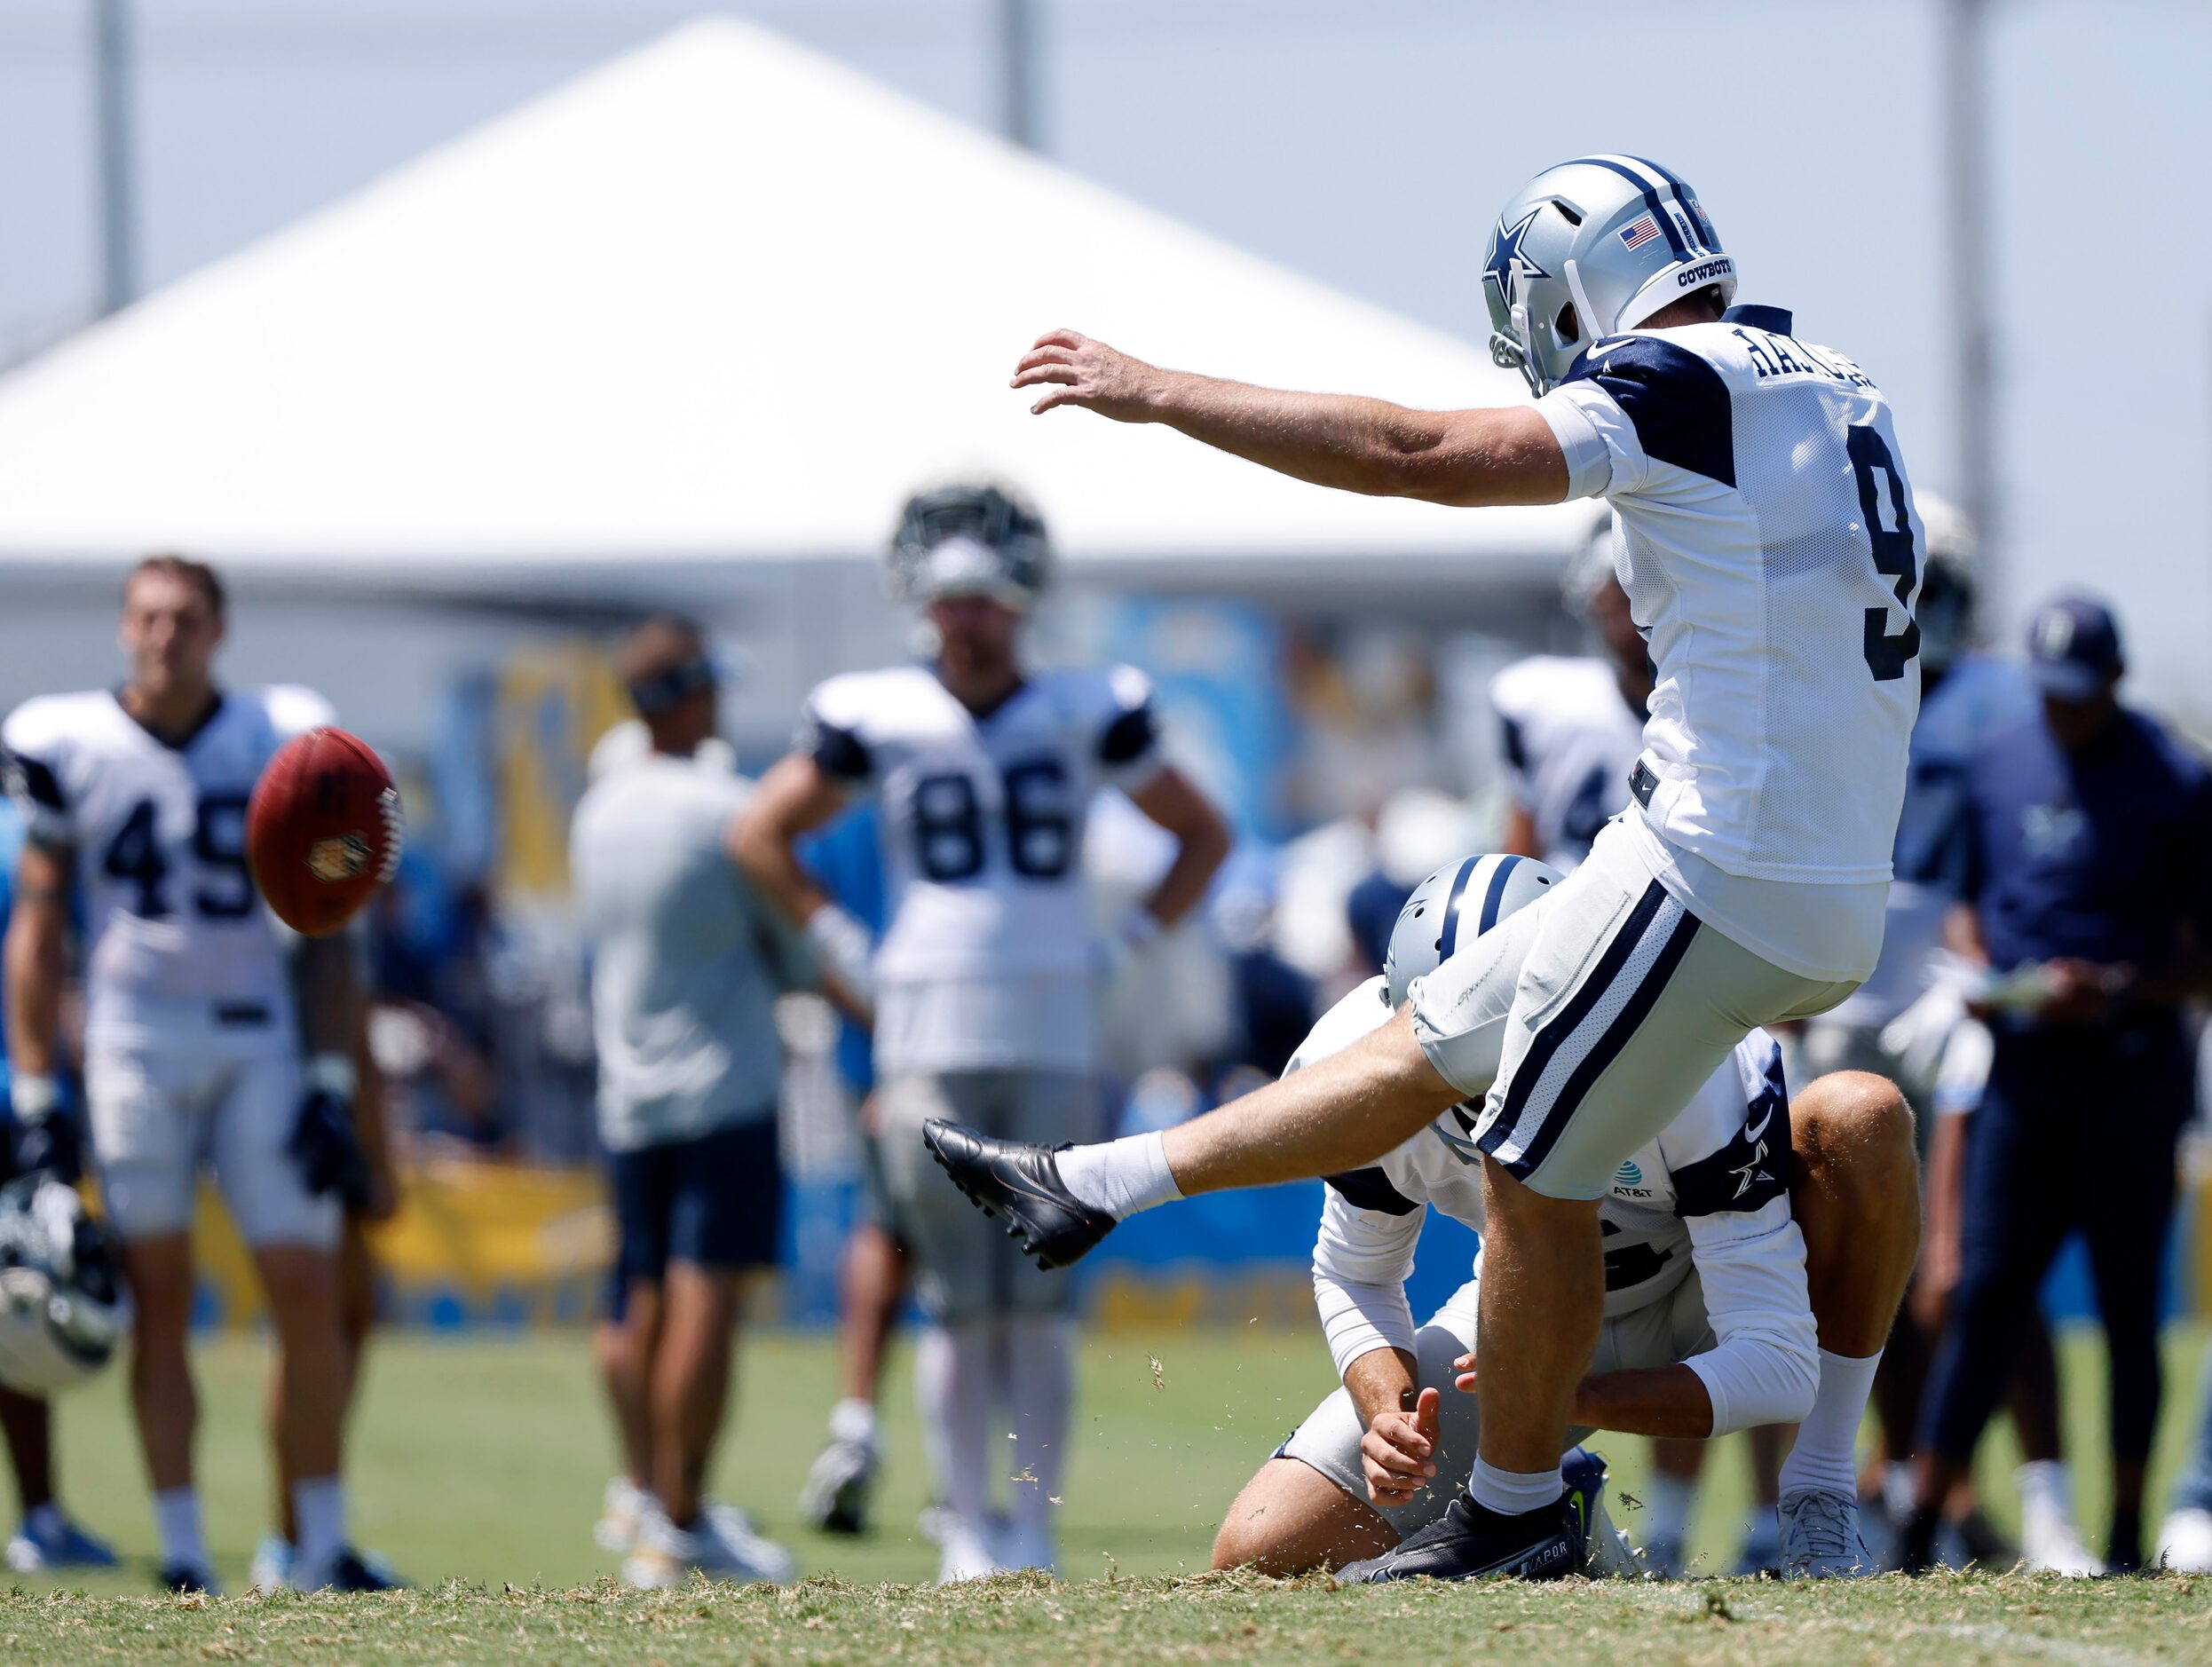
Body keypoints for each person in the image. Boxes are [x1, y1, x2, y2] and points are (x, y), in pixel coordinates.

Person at [934, 156, 1922, 1581]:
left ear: (1584, 280)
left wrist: (1159, 390)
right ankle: (1092, 1179)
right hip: (1803, 854)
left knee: (1527, 1153)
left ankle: (1518, 1513)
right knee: (1423, 1046)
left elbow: (1415, 451)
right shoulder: (1826, 371)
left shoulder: (1677, 379)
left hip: (1726, 854)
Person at [735, 482, 1231, 1581]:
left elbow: (1201, 831)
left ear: (1021, 606)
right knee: (957, 1294)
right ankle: (966, 1529)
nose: (971, 622)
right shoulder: (877, 711)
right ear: (923, 604)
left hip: (1056, 1024)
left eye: (989, 603)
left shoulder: (1086, 704)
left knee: (1042, 1290)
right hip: (927, 1023)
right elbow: (760, 830)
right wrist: (844, 945)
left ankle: (1031, 1526)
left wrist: (1127, 948)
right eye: (955, 602)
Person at [1210, 855, 1919, 1578]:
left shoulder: (1684, 1050)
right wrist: (1388, 1414)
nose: (1476, 1075)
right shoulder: (1350, 1064)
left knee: (1859, 1115)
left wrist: (1546, 1397)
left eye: (1497, 1041)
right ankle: (1561, 1514)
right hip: (1537, 1307)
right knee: (1263, 1550)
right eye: (1444, 1044)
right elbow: (1355, 1271)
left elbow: (1776, 1364)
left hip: (1712, 1290)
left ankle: (1821, 1489)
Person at [1, 555, 391, 1592]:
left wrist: (332, 1079)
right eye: (146, 617)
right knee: (159, 1298)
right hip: (135, 1040)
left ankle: (314, 1547)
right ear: (122, 628)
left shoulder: (281, 735)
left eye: (183, 618)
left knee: (304, 1288)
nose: (162, 637)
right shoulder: (67, 741)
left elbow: (333, 922)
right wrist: (39, 1090)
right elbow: (38, 929)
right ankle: (182, 1553)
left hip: (260, 1032)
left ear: (220, 629)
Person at [1902, 596, 2212, 1575]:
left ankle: (2124, 1530)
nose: (2063, 714)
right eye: (2049, 695)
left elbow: (2203, 953)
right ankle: (1914, 1529)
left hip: (2128, 1067)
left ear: (2114, 683)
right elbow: (1962, 908)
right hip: (2022, 1068)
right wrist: (1991, 982)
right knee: (1984, 1292)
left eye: (2079, 696)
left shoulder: (2174, 778)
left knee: (2128, 1306)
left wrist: (2116, 987)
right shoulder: (1995, 763)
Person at [1798, 507, 2078, 1571]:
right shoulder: (1822, 685)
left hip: (1961, 991)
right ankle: (1914, 1485)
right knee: (1854, 1267)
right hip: (1836, 987)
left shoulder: (2003, 698)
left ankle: (2038, 1494)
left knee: (1974, 1268)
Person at [571, 617, 810, 1589]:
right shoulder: (725, 809)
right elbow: (792, 952)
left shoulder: (600, 805)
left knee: (636, 1297)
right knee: (703, 1297)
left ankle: (640, 1488)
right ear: (695, 696)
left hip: (627, 1092)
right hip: (722, 1085)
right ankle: (677, 1521)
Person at [0, 795, 118, 1576]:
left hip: (24, 1092)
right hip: (24, 1094)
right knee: (23, 1298)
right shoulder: (30, 834)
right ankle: (41, 1517)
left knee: (21, 1303)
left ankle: (43, 1516)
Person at [793, 802, 904, 1538]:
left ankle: (856, 1425)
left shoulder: (838, 819)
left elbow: (817, 949)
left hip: (875, 1055)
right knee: (981, 1249)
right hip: (970, 1046)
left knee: (885, 1229)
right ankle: (986, 1475)